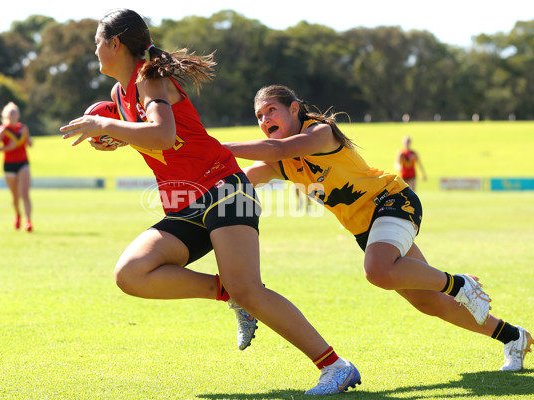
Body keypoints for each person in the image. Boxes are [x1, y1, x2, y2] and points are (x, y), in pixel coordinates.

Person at [60, 10, 360, 395]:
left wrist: (106, 127)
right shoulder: (121, 95)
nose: (95, 51)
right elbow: (151, 136)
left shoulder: (151, 78)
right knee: (131, 273)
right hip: (185, 203)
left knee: (250, 289)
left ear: (115, 43)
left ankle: (336, 366)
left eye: (97, 42)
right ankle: (230, 293)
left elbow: (164, 135)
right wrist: (116, 136)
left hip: (224, 190)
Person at [222, 84, 533, 372]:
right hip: (365, 229)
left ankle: (459, 284)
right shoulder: (280, 162)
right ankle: (513, 336)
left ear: (294, 109)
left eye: (271, 111)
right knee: (429, 301)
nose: (264, 120)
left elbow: (275, 150)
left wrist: (218, 144)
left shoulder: (319, 132)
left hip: (392, 201)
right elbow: (243, 177)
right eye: (259, 116)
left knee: (378, 271)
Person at [0, 101, 33, 232]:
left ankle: (28, 221)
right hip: (9, 165)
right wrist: (8, 148)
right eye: (9, 113)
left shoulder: (23, 128)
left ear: (18, 115)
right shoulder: (3, 130)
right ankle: (18, 215)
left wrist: (30, 142)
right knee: (15, 197)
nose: (12, 115)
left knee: (24, 193)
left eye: (14, 113)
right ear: (5, 116)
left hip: (23, 163)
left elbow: (29, 142)